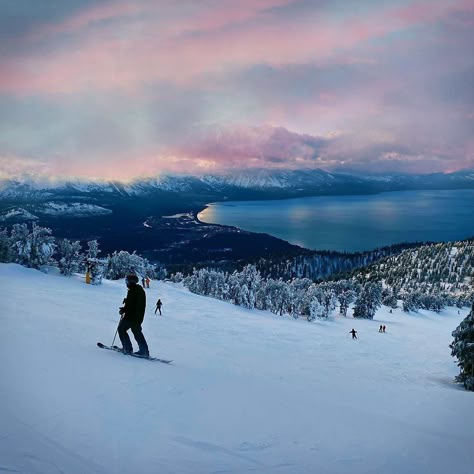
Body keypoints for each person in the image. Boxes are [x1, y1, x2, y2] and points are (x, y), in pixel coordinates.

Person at [118, 274, 149, 357]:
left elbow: (139, 306)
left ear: (132, 282)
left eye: (127, 281)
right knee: (135, 331)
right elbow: (130, 304)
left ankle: (129, 349)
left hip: (134, 317)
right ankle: (141, 350)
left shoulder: (138, 291)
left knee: (122, 329)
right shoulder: (132, 290)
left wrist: (136, 318)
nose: (126, 283)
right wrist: (124, 309)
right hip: (131, 316)